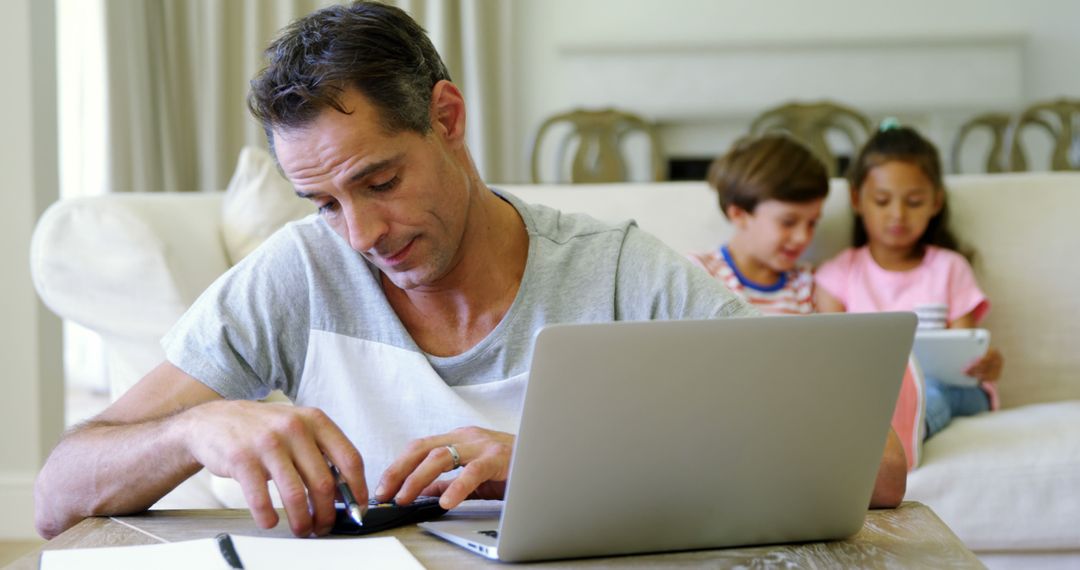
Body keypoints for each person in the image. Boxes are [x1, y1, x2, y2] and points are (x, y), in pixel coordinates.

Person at [33, 2, 760, 540]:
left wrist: (554, 463)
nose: (362, 234)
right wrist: (190, 430)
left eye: (380, 183)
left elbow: (871, 466)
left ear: (446, 119)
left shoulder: (616, 271)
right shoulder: (300, 273)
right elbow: (56, 494)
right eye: (323, 203)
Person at [690, 134, 907, 498]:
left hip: (796, 418)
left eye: (812, 223)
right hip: (728, 413)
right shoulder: (698, 274)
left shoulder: (811, 284)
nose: (802, 237)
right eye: (788, 222)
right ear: (739, 213)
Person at [814, 123, 1004, 440]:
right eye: (882, 200)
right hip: (875, 395)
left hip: (951, 390)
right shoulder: (838, 274)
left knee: (928, 392)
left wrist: (986, 364)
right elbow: (830, 358)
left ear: (936, 202)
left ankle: (902, 440)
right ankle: (886, 434)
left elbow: (964, 352)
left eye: (914, 201)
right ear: (857, 199)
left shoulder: (948, 267)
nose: (898, 214)